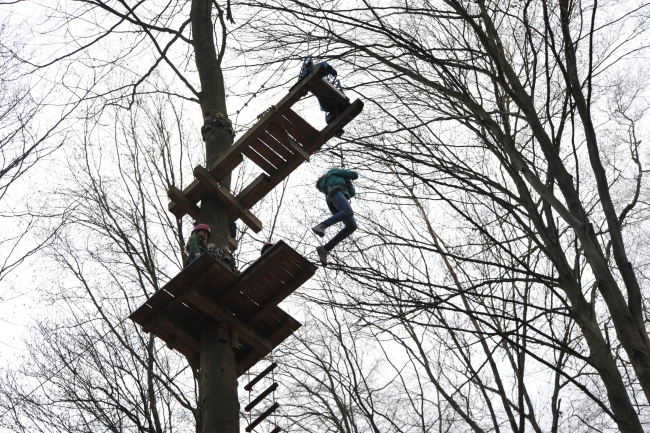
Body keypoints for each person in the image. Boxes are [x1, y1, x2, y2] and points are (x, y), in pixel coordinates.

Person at [311, 168, 358, 266]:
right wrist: (346, 174)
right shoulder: (332, 172)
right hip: (336, 193)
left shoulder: (330, 183)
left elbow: (352, 193)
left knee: (352, 226)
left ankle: (324, 249)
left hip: (333, 199)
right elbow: (355, 175)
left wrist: (347, 181)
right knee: (348, 211)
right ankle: (322, 225)